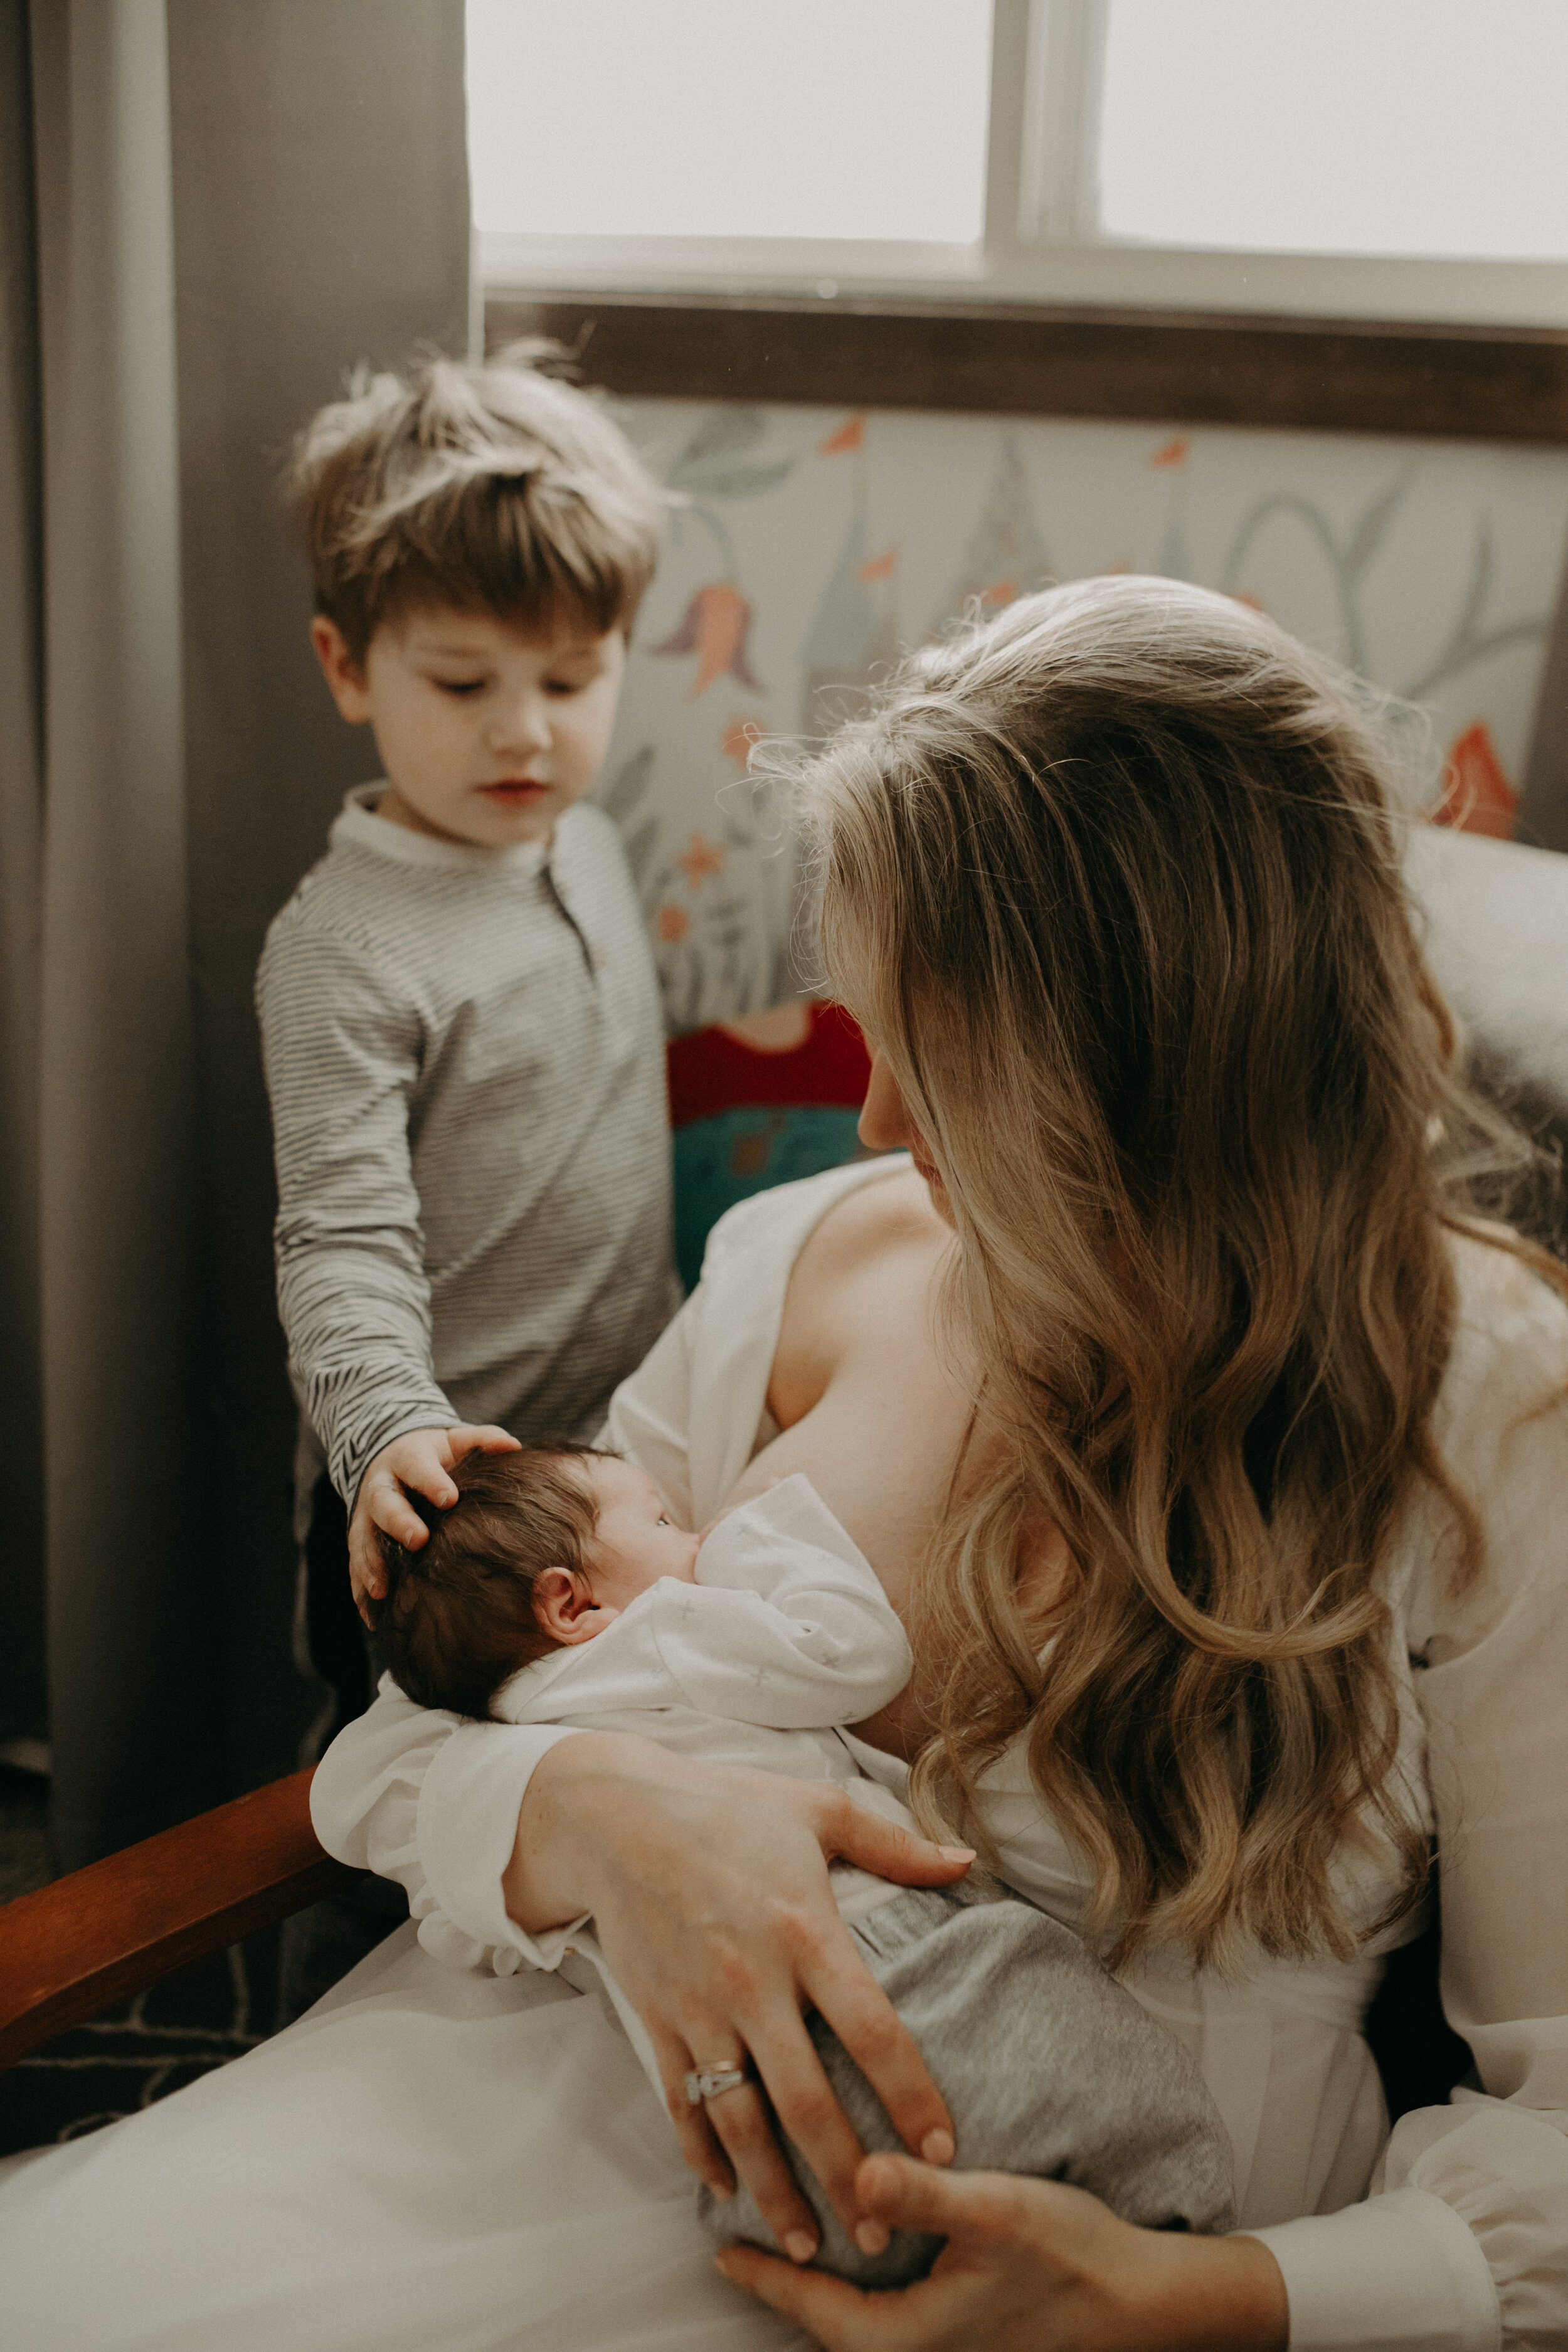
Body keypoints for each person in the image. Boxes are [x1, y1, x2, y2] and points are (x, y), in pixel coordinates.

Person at [3, 576, 1564, 2352]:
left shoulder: (1489, 1413)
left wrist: (1199, 2293)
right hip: (506, 2086)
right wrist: (595, 1815)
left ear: (1151, 1063)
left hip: (1033, 2239)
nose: (879, 1120)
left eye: (935, 1051)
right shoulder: (813, 1254)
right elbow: (410, 1731)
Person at [369, 1445, 1237, 2284]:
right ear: (571, 1604)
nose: (692, 1532)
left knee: (888, 2203)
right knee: (1134, 2120)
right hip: (884, 1955)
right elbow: (854, 1653)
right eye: (665, 1518)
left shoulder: (506, 1714)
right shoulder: (666, 1630)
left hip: (738, 2087)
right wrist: (758, 1534)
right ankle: (1175, 2258)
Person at [255, 343, 680, 1747]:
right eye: (460, 684)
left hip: (617, 1457)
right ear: (347, 668)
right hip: (446, 1509)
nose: (523, 731)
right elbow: (340, 1238)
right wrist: (387, 1433)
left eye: (570, 679)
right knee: (395, 1795)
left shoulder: (592, 844)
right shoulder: (343, 950)